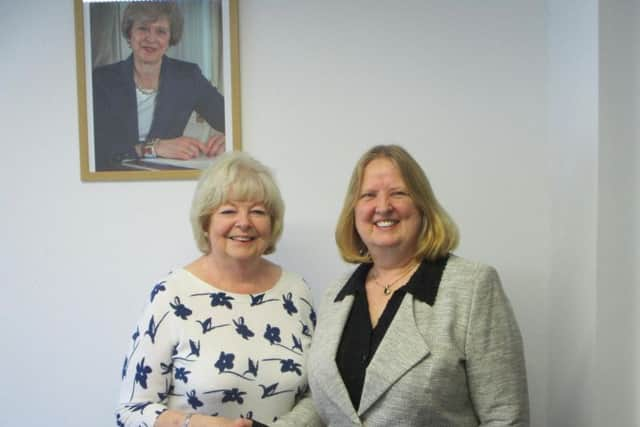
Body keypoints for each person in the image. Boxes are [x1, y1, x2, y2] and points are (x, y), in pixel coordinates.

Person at [289, 145, 529, 426]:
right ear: (354, 211)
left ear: (422, 205)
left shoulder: (473, 286)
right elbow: (325, 405)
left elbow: (505, 416)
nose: (382, 207)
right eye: (368, 195)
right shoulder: (337, 294)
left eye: (398, 193)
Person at [116, 152, 316, 427]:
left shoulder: (296, 292)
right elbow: (131, 410)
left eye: (257, 211)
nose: (244, 222)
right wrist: (192, 424)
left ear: (272, 224)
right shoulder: (172, 294)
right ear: (206, 223)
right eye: (228, 210)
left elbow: (316, 394)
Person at [92, 2, 226, 171]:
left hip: (165, 179)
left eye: (161, 31)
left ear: (171, 37)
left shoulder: (187, 76)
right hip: (111, 179)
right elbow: (94, 149)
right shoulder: (102, 80)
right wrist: (152, 148)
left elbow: (231, 119)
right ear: (130, 33)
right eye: (143, 28)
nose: (151, 38)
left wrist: (231, 137)